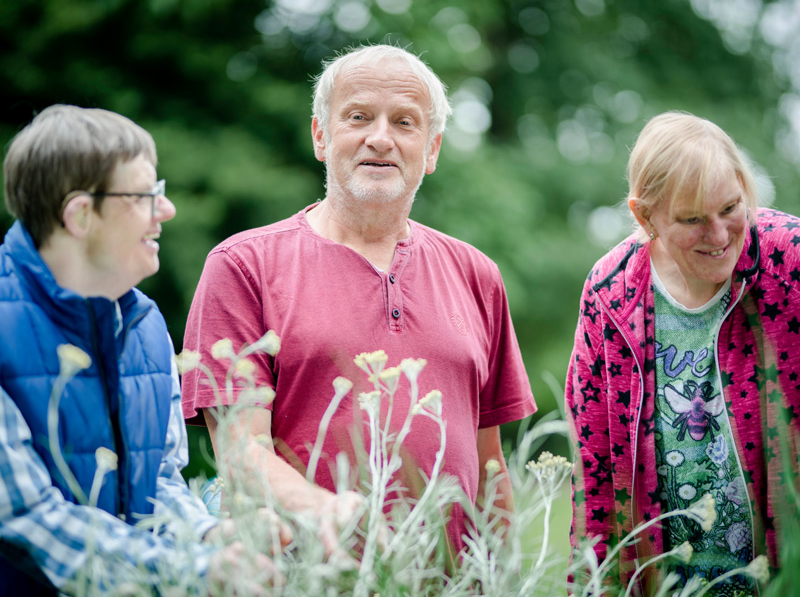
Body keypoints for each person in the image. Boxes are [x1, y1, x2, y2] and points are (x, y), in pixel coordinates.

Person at [181, 44, 536, 560]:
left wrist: (503, 579)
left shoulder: (477, 274)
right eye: (358, 117)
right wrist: (328, 515)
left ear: (431, 150)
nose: (380, 138)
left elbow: (490, 465)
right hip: (303, 579)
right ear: (321, 136)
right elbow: (241, 456)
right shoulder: (243, 266)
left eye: (405, 122)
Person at [0, 105, 282, 595]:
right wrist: (198, 573)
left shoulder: (146, 326)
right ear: (81, 214)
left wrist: (211, 536)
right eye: (144, 196)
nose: (166, 210)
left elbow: (158, 485)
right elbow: (24, 519)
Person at [566, 111, 800, 594]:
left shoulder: (790, 259)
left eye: (731, 208)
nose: (718, 235)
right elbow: (596, 473)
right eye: (692, 220)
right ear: (643, 215)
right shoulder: (610, 295)